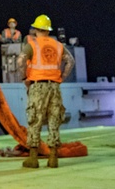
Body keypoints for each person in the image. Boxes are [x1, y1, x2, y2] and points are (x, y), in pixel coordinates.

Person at [17, 14, 74, 170]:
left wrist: (24, 77)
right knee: (54, 120)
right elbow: (70, 61)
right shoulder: (58, 45)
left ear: (36, 29)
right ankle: (53, 158)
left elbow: (20, 61)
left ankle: (33, 159)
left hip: (38, 86)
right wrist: (62, 76)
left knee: (35, 120)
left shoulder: (32, 45)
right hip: (54, 87)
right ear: (48, 30)